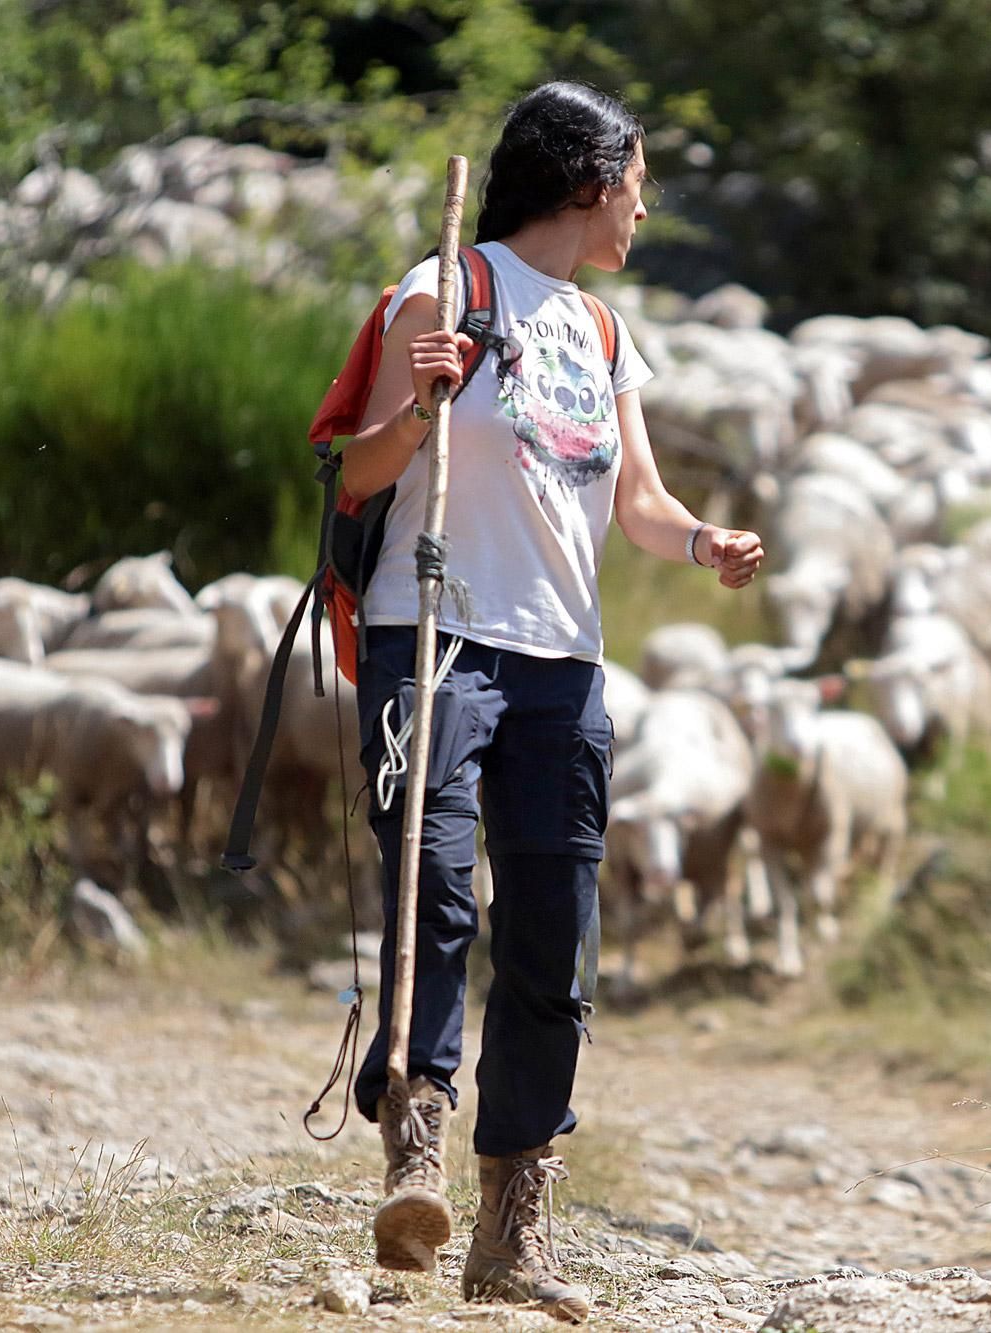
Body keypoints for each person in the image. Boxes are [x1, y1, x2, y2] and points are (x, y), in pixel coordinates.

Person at [338, 81, 765, 1318]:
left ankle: (512, 1229)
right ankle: (413, 1136)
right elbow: (356, 474)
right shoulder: (439, 289)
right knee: (436, 879)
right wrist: (420, 406)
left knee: (553, 937)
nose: (644, 203)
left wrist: (702, 543)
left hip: (559, 663)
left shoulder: (603, 329)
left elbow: (638, 502)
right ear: (587, 181)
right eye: (636, 179)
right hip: (434, 635)